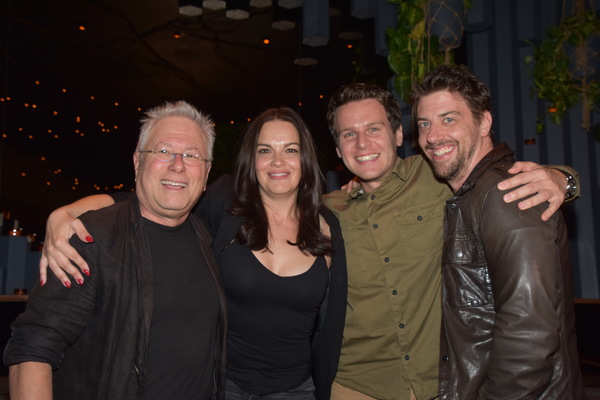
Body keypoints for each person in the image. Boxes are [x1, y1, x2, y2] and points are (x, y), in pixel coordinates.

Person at [36, 107, 347, 400]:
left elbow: (331, 322)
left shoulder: (328, 227)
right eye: (264, 150)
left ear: (305, 158)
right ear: (251, 161)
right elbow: (150, 197)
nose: (278, 161)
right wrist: (68, 212)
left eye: (290, 150)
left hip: (297, 390)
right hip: (224, 386)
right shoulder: (226, 204)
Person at [323, 82, 579, 400]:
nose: (362, 144)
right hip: (357, 385)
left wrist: (562, 178)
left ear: (399, 136)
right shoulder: (328, 210)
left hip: (441, 386)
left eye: (374, 128)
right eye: (349, 134)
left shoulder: (439, 175)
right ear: (337, 149)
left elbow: (500, 175)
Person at [3, 100, 227, 400]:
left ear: (207, 171)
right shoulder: (90, 238)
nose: (178, 164)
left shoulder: (206, 236)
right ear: (138, 162)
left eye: (192, 155)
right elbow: (33, 349)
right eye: (163, 151)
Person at [411, 64, 583, 399]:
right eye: (424, 124)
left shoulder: (508, 194)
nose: (433, 135)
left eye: (449, 119)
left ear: (484, 122)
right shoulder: (468, 196)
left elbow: (530, 335)